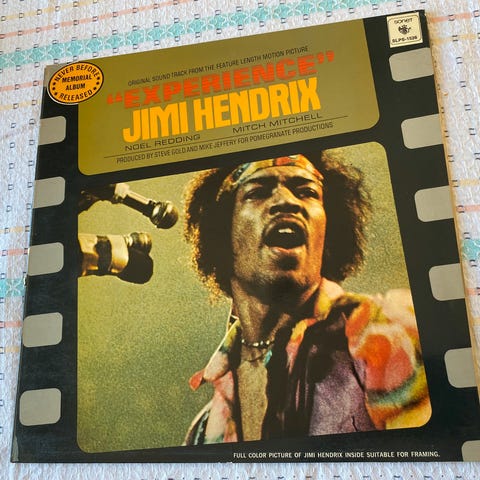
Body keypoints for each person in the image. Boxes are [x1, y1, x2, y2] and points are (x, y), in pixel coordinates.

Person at [182, 152, 431, 445]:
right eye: (258, 192)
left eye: (307, 192)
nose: (287, 201)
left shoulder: (387, 328)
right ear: (222, 233)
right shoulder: (205, 430)